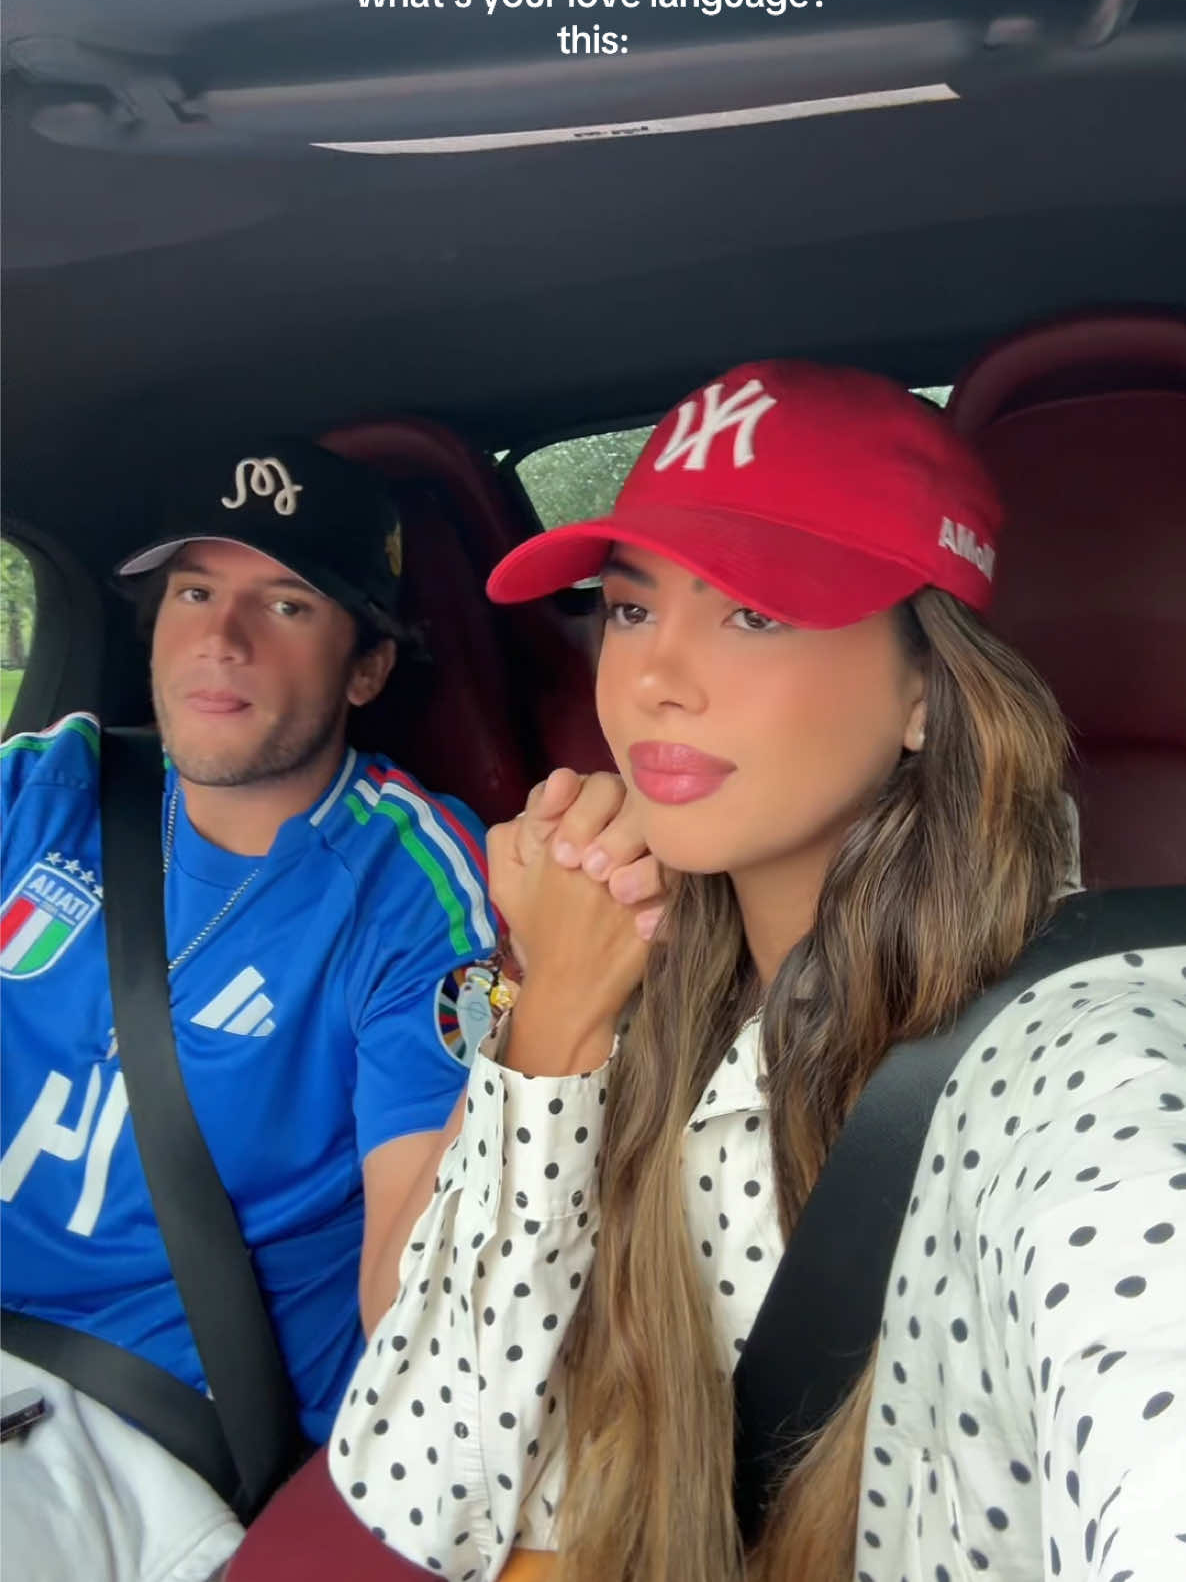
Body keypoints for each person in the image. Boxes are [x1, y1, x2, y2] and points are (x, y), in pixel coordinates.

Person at [328, 362, 1186, 1582]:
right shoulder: (633, 980)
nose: (653, 680)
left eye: (754, 613)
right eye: (630, 610)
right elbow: (426, 1482)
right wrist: (550, 1012)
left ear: (927, 692)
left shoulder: (1087, 1074)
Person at [0, 436, 659, 1582]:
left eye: (286, 603)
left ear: (366, 669)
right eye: (194, 591)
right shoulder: (41, 787)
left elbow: (415, 1302)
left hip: (131, 1448)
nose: (221, 637)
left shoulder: (416, 893)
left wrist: (555, 1000)